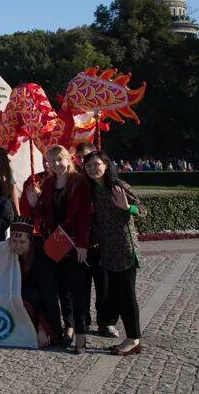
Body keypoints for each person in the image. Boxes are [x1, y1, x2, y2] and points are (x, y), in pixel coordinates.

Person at [27, 145, 92, 354]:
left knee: (76, 289)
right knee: (58, 288)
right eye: (51, 161)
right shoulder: (48, 183)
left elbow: (83, 217)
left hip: (72, 241)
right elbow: (44, 213)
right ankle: (64, 328)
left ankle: (79, 334)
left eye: (59, 160)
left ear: (68, 159)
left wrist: (82, 244)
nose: (55, 164)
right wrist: (34, 204)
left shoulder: (79, 183)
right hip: (54, 241)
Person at [84, 151, 147, 356]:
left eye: (97, 164)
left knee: (127, 295)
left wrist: (128, 208)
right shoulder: (92, 189)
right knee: (118, 296)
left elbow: (144, 211)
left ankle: (134, 339)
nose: (93, 168)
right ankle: (130, 338)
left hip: (124, 249)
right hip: (107, 251)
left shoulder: (116, 186)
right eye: (89, 166)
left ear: (106, 164)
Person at [75, 142, 119, 338]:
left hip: (104, 243)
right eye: (83, 160)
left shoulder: (109, 185)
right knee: (81, 285)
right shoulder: (77, 183)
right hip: (83, 242)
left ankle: (106, 322)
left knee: (105, 285)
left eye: (92, 160)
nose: (90, 166)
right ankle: (83, 320)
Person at [8, 221, 62, 348]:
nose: (17, 246)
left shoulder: (41, 262)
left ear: (30, 242)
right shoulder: (7, 256)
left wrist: (44, 329)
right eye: (14, 242)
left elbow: (48, 298)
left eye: (22, 242)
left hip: (37, 306)